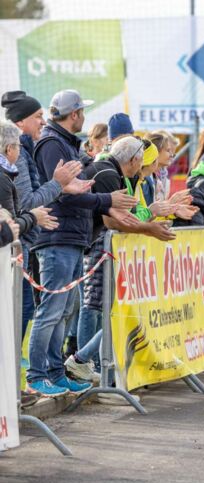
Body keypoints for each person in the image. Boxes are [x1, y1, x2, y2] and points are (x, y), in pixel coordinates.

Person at [27, 89, 139, 397]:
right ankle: (37, 375)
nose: (85, 118)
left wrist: (100, 199)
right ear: (74, 114)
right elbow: (62, 193)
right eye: (82, 112)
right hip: (57, 237)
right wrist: (106, 200)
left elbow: (73, 190)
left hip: (71, 236)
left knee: (64, 311)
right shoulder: (52, 143)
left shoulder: (63, 142)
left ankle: (54, 372)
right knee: (52, 311)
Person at [67, 137, 178, 384]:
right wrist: (149, 226)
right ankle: (85, 363)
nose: (141, 168)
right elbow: (112, 220)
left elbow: (125, 216)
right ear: (134, 159)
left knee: (113, 310)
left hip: (96, 244)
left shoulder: (116, 173)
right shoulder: (108, 173)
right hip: (95, 246)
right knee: (94, 307)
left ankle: (87, 362)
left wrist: (148, 221)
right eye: (142, 162)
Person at [1, 90, 88, 343]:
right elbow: (27, 204)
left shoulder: (26, 151)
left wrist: (61, 187)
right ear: (20, 123)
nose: (43, 121)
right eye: (38, 116)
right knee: (33, 312)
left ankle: (40, 366)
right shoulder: (20, 155)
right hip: (19, 246)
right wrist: (58, 185)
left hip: (24, 243)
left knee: (39, 310)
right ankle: (26, 367)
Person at [0, 121, 57, 243]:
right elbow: (10, 228)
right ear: (9, 149)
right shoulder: (2, 179)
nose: (20, 150)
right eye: (18, 146)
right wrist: (33, 217)